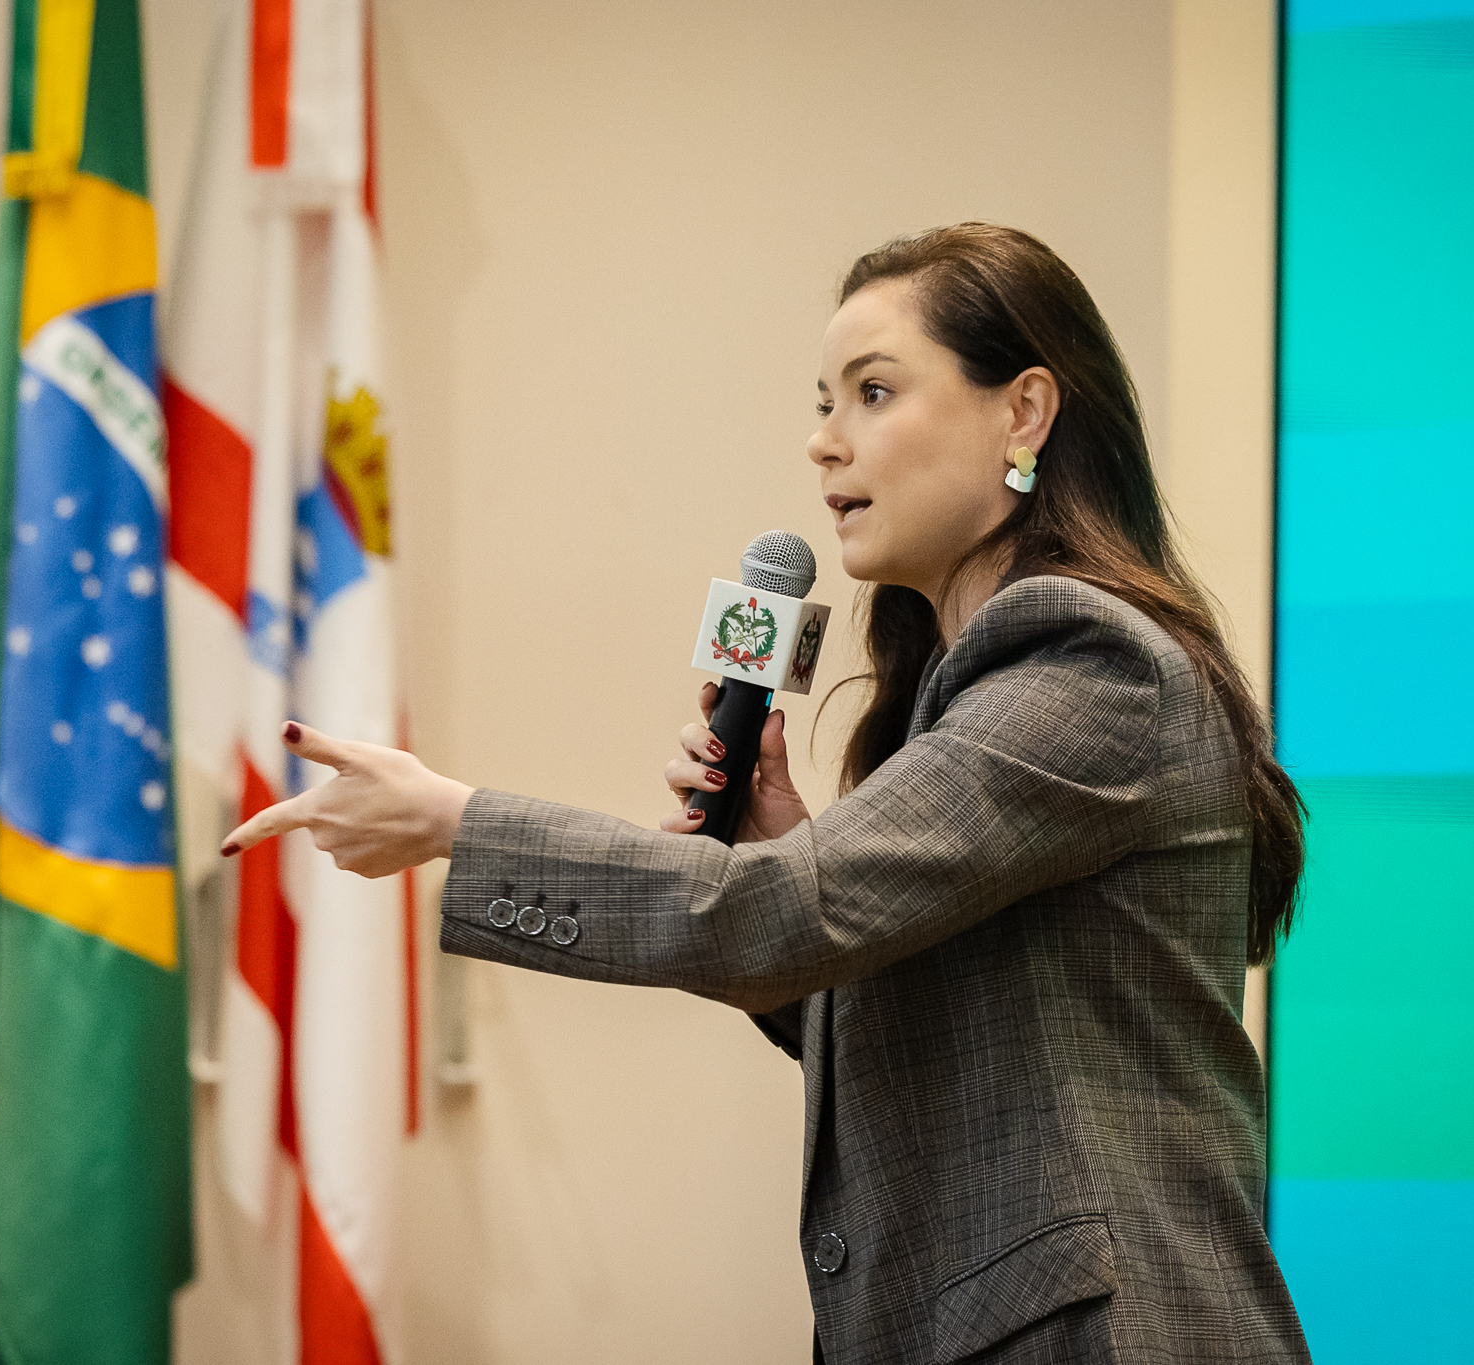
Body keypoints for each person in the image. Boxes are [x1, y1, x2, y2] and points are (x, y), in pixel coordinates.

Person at [223, 223, 1311, 1364]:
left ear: (1023, 413)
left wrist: (456, 822)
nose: (822, 441)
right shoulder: (972, 686)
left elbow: (775, 917)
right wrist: (780, 846)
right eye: (824, 402)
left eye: (873, 393)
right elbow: (919, 1007)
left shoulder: (1089, 662)